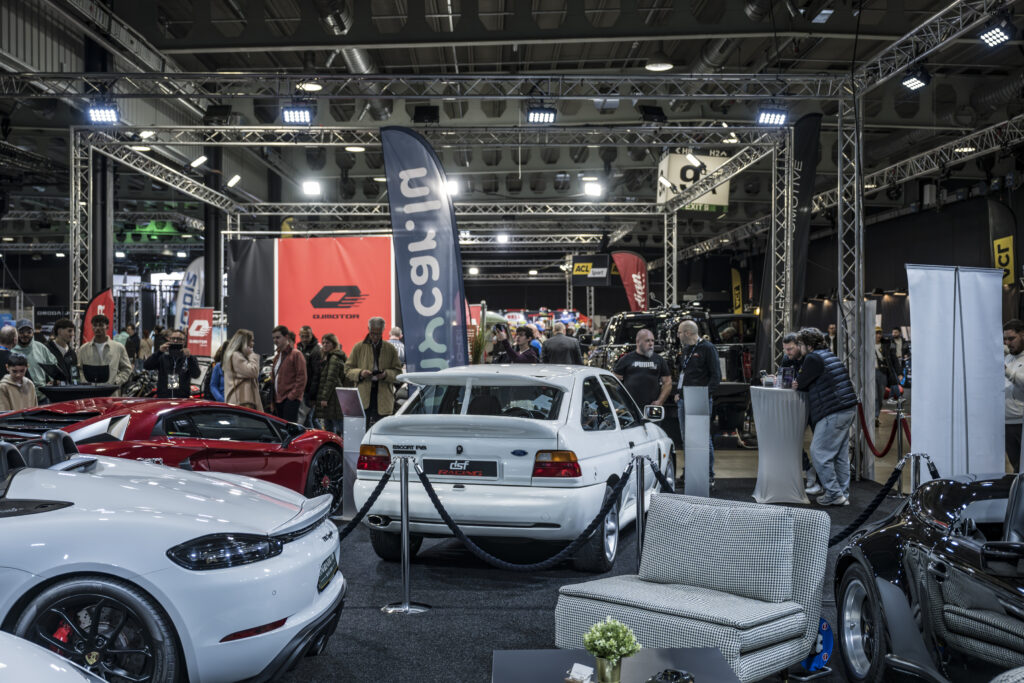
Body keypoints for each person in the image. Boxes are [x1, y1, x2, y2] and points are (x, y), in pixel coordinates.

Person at [792, 327, 858, 506]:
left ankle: (834, 494)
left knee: (819, 452)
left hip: (832, 410)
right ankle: (842, 494)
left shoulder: (812, 358)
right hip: (847, 408)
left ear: (808, 345)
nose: (799, 348)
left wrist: (798, 381)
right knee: (840, 456)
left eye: (800, 344)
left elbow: (801, 383)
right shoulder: (829, 355)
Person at [674, 320, 721, 482]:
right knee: (687, 438)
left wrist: (704, 395)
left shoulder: (708, 348)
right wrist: (679, 392)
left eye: (679, 332)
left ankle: (708, 474)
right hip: (684, 399)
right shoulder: (686, 349)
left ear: (688, 333)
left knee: (703, 438)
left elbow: (716, 377)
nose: (678, 335)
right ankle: (690, 472)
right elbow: (684, 374)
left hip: (700, 400)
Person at [345, 317, 402, 428]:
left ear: (383, 331)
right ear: (368, 329)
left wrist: (385, 374)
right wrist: (360, 373)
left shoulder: (390, 349)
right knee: (362, 430)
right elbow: (347, 370)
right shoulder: (358, 347)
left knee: (382, 431)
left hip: (384, 398)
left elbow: (398, 373)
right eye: (373, 333)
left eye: (378, 334)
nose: (375, 336)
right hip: (363, 397)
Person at [613, 328, 672, 411]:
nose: (651, 344)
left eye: (652, 341)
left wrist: (660, 401)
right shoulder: (626, 359)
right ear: (638, 342)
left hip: (651, 407)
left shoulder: (659, 360)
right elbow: (614, 382)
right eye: (647, 341)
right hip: (630, 407)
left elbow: (667, 382)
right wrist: (620, 402)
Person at [78, 314, 132, 393]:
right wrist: (85, 383)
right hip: (90, 393)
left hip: (111, 393)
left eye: (101, 325)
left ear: (107, 327)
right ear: (92, 328)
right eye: (95, 325)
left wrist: (116, 382)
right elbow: (79, 369)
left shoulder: (118, 348)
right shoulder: (83, 349)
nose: (97, 328)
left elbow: (127, 368)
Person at [144, 328, 200, 398]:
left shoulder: (188, 358)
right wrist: (159, 352)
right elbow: (147, 366)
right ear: (169, 340)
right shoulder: (162, 356)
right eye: (173, 338)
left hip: (181, 398)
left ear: (184, 341)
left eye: (179, 339)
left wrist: (189, 358)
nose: (175, 341)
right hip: (164, 397)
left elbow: (196, 374)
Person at [13, 318, 58, 400]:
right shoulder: (11, 350)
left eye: (29, 332)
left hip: (42, 396)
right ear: (16, 333)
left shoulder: (40, 348)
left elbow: (53, 365)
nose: (25, 335)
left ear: (33, 333)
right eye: (21, 332)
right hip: (18, 398)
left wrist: (54, 380)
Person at [271, 325, 306, 422]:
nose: (275, 340)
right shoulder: (277, 356)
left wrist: (292, 397)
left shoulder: (296, 354)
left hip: (290, 399)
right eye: (273, 338)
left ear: (286, 337)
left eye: (278, 337)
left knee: (289, 428)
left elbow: (302, 378)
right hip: (278, 400)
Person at [316, 333, 348, 434]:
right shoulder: (329, 357)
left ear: (334, 344)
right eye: (323, 343)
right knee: (331, 427)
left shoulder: (334, 358)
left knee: (336, 427)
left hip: (333, 398)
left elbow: (331, 379)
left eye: (327, 343)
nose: (324, 345)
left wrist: (324, 398)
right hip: (333, 397)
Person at [222, 329, 262, 411]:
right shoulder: (236, 356)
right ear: (245, 342)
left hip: (243, 400)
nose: (253, 344)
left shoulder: (237, 356)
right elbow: (253, 371)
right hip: (243, 401)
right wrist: (252, 355)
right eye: (251, 341)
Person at [1003, 319, 1024, 473]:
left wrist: (1007, 371)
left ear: (1022, 335)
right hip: (1007, 422)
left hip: (1021, 422)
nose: (1007, 343)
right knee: (1017, 468)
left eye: (1011, 338)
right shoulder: (1008, 357)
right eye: (1005, 339)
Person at [296, 326, 323, 427]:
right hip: (303, 389)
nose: (304, 339)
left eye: (307, 336)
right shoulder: (299, 347)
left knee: (309, 418)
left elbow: (316, 375)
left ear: (312, 335)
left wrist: (313, 396)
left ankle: (320, 436)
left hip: (309, 391)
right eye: (302, 336)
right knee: (309, 418)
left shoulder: (315, 350)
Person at [45, 318, 78, 384]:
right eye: (69, 331)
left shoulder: (72, 353)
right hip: (51, 389)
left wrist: (75, 385)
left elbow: (75, 376)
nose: (72, 334)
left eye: (73, 331)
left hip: (69, 389)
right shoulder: (46, 349)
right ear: (59, 331)